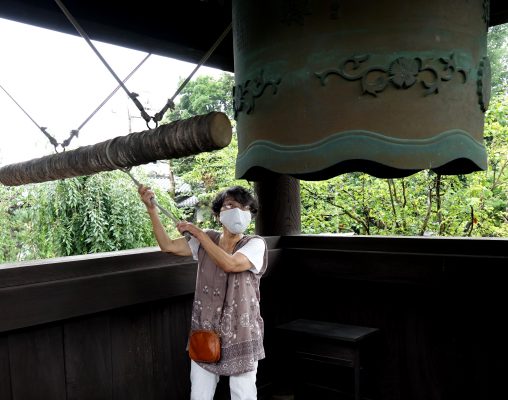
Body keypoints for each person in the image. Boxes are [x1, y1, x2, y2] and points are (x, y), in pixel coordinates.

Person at [138, 184, 268, 400]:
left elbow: (231, 264)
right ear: (218, 215)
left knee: (243, 395)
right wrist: (152, 210)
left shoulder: (255, 244)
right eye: (230, 205)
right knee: (199, 394)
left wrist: (198, 233)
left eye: (246, 208)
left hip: (242, 333)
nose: (239, 211)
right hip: (205, 332)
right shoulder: (207, 239)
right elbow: (168, 245)